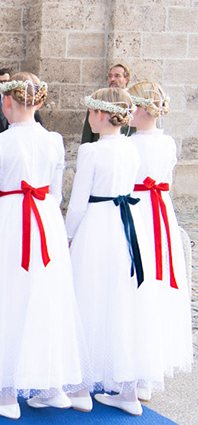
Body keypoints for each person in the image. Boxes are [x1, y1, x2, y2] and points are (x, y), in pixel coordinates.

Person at [0, 73, 89, 420]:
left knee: (5, 299)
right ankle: (49, 386)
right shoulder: (55, 141)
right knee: (44, 298)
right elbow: (58, 194)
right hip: (46, 223)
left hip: (10, 224)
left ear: (5, 102)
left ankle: (4, 395)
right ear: (40, 103)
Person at [65, 88, 160, 416]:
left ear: (101, 115)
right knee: (122, 299)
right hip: (125, 226)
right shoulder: (131, 150)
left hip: (96, 225)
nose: (89, 117)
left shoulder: (91, 152)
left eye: (91, 111)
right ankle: (128, 390)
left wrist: (66, 236)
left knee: (88, 296)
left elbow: (77, 204)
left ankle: (81, 387)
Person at [128, 82, 193, 400]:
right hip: (161, 215)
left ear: (139, 108)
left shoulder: (130, 145)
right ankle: (148, 372)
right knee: (157, 281)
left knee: (138, 283)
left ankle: (135, 368)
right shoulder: (168, 143)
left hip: (139, 212)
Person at [81, 64, 135, 143]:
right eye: (110, 76)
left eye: (117, 76)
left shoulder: (131, 105)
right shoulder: (98, 100)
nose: (112, 79)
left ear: (126, 80)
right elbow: (87, 133)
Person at [0, 69, 42, 134]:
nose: (3, 84)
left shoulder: (20, 98)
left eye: (5, 81)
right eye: (0, 81)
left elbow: (37, 119)